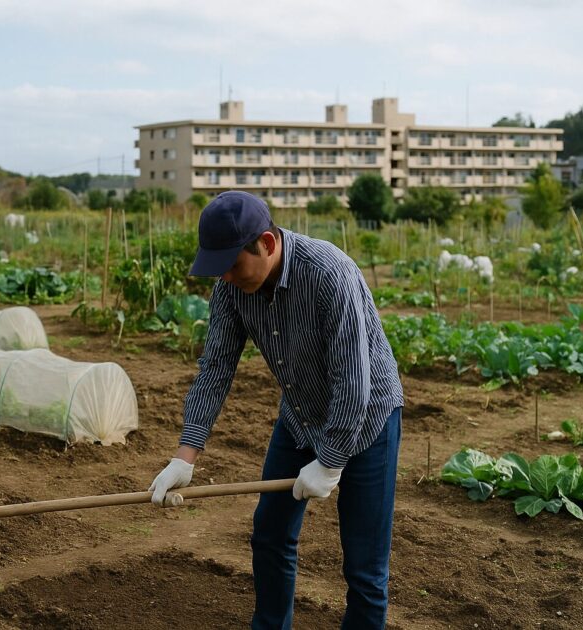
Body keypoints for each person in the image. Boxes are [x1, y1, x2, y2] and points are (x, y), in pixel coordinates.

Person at [148, 191, 404, 629]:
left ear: (266, 243)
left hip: (367, 421)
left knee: (364, 569)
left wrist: (328, 463)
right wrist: (185, 455)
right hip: (301, 417)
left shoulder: (330, 275)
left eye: (233, 264)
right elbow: (216, 368)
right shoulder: (232, 287)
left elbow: (353, 383)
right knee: (270, 535)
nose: (226, 277)